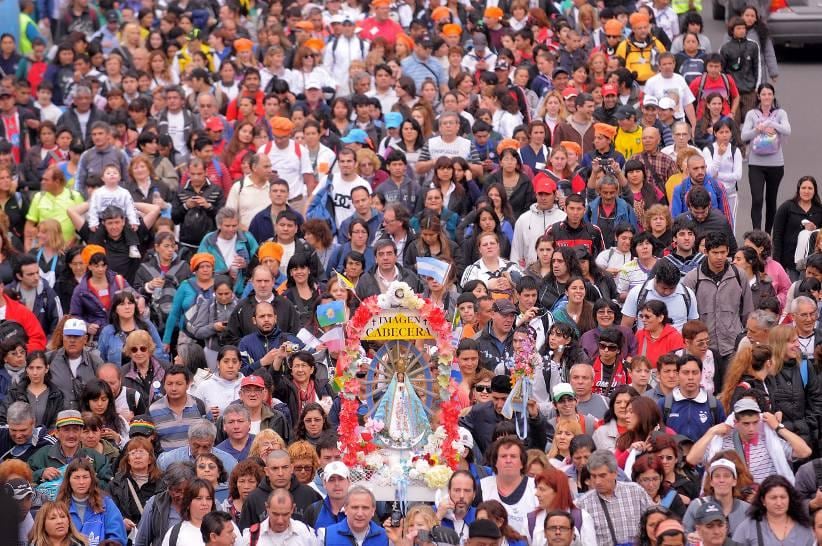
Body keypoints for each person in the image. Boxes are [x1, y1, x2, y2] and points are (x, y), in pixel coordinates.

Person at [682, 231, 754, 391]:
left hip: (731, 347)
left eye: (723, 252)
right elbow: (688, 317)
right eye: (715, 253)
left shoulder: (739, 275)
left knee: (731, 390)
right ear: (706, 252)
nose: (720, 257)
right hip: (704, 349)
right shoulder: (692, 279)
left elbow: (747, 311)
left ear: (728, 251)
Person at [686, 397, 812, 484]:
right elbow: (692, 459)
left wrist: (779, 427)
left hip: (766, 502)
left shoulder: (770, 440)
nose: (751, 428)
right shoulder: (722, 442)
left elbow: (805, 452)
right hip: (736, 502)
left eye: (755, 422)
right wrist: (711, 432)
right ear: (736, 423)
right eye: (746, 424)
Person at [741, 83, 791, 233]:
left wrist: (772, 123)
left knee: (771, 200)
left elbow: (787, 130)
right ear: (758, 96)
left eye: (769, 94)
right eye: (763, 94)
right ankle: (756, 231)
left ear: (773, 96)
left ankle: (768, 233)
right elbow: (744, 136)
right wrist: (757, 129)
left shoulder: (780, 113)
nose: (767, 97)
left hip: (776, 164)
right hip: (756, 163)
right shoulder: (752, 114)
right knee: (757, 199)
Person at [576, 449, 650, 545]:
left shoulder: (635, 492)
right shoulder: (583, 503)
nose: (597, 481)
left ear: (615, 473)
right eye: (593, 476)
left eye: (602, 476)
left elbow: (653, 520)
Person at [56, 458, 127, 545]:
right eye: (76, 477)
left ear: (92, 479)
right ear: (68, 480)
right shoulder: (59, 506)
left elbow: (117, 538)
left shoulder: (106, 503)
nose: (81, 482)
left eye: (85, 477)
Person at [731, 475, 814, 545]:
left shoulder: (804, 528)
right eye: (773, 498)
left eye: (783, 497)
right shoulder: (748, 528)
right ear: (763, 500)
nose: (779, 502)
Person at [109, 436, 163, 537]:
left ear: (150, 459)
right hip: (128, 537)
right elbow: (111, 510)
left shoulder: (162, 483)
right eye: (133, 453)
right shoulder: (116, 484)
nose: (137, 456)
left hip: (156, 536)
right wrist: (122, 520)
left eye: (141, 452)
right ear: (128, 460)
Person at [134, 461, 196, 546]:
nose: (182, 495)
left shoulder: (205, 503)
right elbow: (141, 541)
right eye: (177, 491)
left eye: (187, 491)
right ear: (168, 487)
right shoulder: (155, 504)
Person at [773, 176, 822, 280]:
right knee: (793, 291)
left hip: (812, 264)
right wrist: (777, 263)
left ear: (815, 191)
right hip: (790, 261)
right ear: (798, 189)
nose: (806, 191)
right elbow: (777, 236)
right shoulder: (786, 207)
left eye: (810, 188)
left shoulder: (819, 210)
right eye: (803, 188)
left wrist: (815, 228)